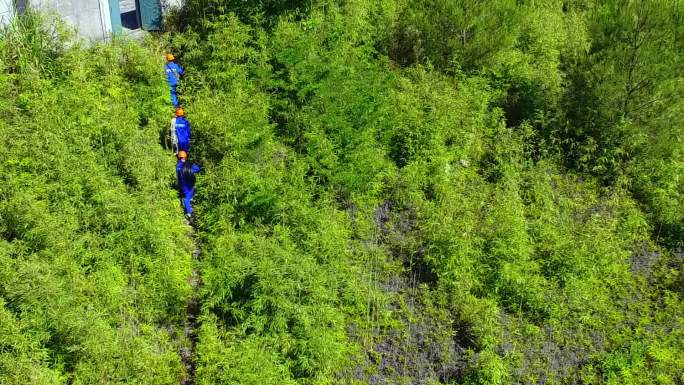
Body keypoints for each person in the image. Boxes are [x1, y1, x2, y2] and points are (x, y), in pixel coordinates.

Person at [176, 151, 200, 219]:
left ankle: (189, 213)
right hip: (191, 183)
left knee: (185, 199)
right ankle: (191, 205)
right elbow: (197, 169)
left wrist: (179, 185)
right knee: (190, 195)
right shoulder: (190, 164)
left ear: (178, 157)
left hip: (184, 184)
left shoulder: (178, 165)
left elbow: (178, 176)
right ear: (185, 157)